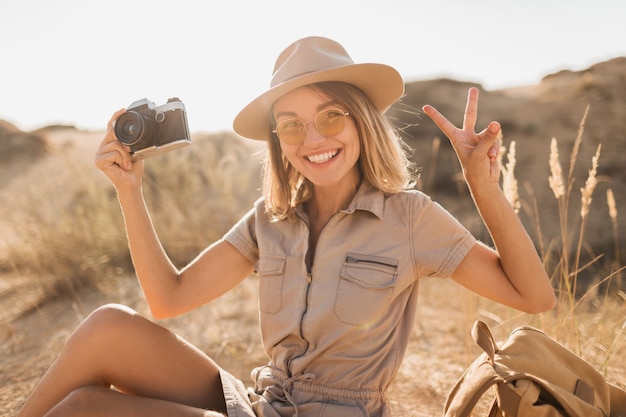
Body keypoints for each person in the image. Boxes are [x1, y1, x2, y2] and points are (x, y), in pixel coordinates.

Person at [17, 36, 556, 417]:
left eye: (330, 117)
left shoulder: (409, 217)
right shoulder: (269, 221)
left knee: (84, 410)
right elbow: (168, 298)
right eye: (290, 125)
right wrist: (129, 192)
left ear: (361, 121)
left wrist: (483, 187)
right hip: (264, 405)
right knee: (107, 326)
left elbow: (534, 297)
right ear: (277, 141)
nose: (312, 140)